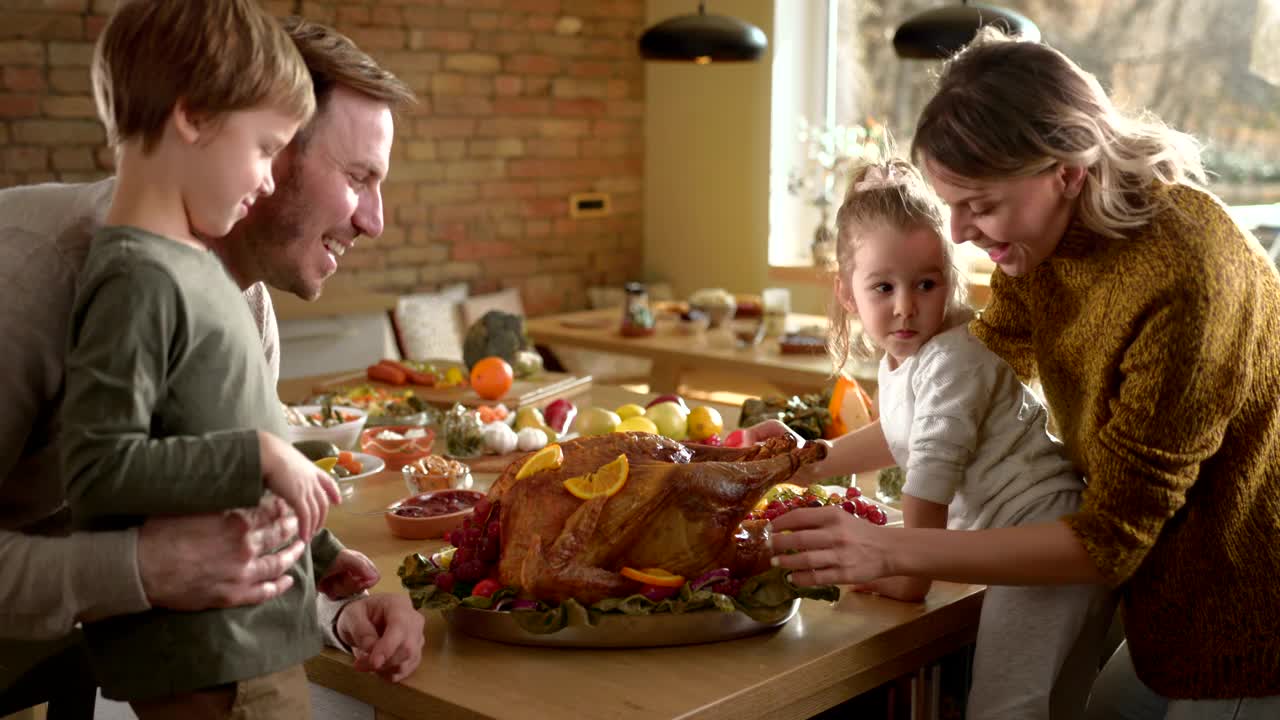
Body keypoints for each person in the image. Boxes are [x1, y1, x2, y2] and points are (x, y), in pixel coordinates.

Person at [767, 28, 1280, 717]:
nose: (956, 233)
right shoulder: (1042, 244)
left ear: (1066, 169)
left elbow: (1106, 544)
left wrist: (893, 549)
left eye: (977, 205)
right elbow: (961, 386)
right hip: (1161, 598)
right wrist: (807, 461)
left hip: (1246, 609)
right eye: (949, 204)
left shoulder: (1187, 278)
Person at [0, 10, 422, 718]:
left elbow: (222, 522)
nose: (375, 220)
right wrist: (141, 570)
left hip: (91, 647)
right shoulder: (31, 279)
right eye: (358, 176)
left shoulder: (245, 307)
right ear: (269, 147)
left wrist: (332, 607)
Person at [57, 0, 347, 714]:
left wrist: (324, 554)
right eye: (263, 148)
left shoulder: (194, 266)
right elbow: (98, 469)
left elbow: (208, 430)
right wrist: (258, 455)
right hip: (215, 664)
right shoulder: (136, 277)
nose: (271, 179)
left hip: (251, 644)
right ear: (193, 117)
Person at [775, 156, 1114, 719]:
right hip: (1023, 534)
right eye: (883, 287)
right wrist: (810, 463)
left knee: (1007, 708)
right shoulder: (910, 357)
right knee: (1050, 705)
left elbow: (926, 498)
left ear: (951, 279)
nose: (906, 305)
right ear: (846, 293)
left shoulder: (952, 359)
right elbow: (903, 433)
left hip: (1039, 538)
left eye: (925, 284)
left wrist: (896, 573)